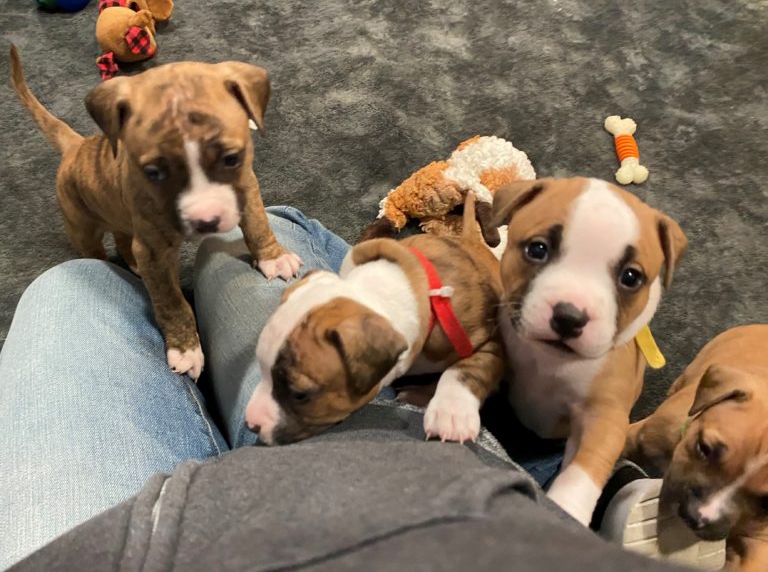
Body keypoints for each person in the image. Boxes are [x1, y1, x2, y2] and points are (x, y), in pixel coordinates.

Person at [0, 207, 680, 571]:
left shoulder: (416, 339)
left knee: (73, 287)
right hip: (433, 469)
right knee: (253, 245)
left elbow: (476, 349)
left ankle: (285, 238)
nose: (260, 414)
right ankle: (294, 243)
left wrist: (457, 385)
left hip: (156, 533)